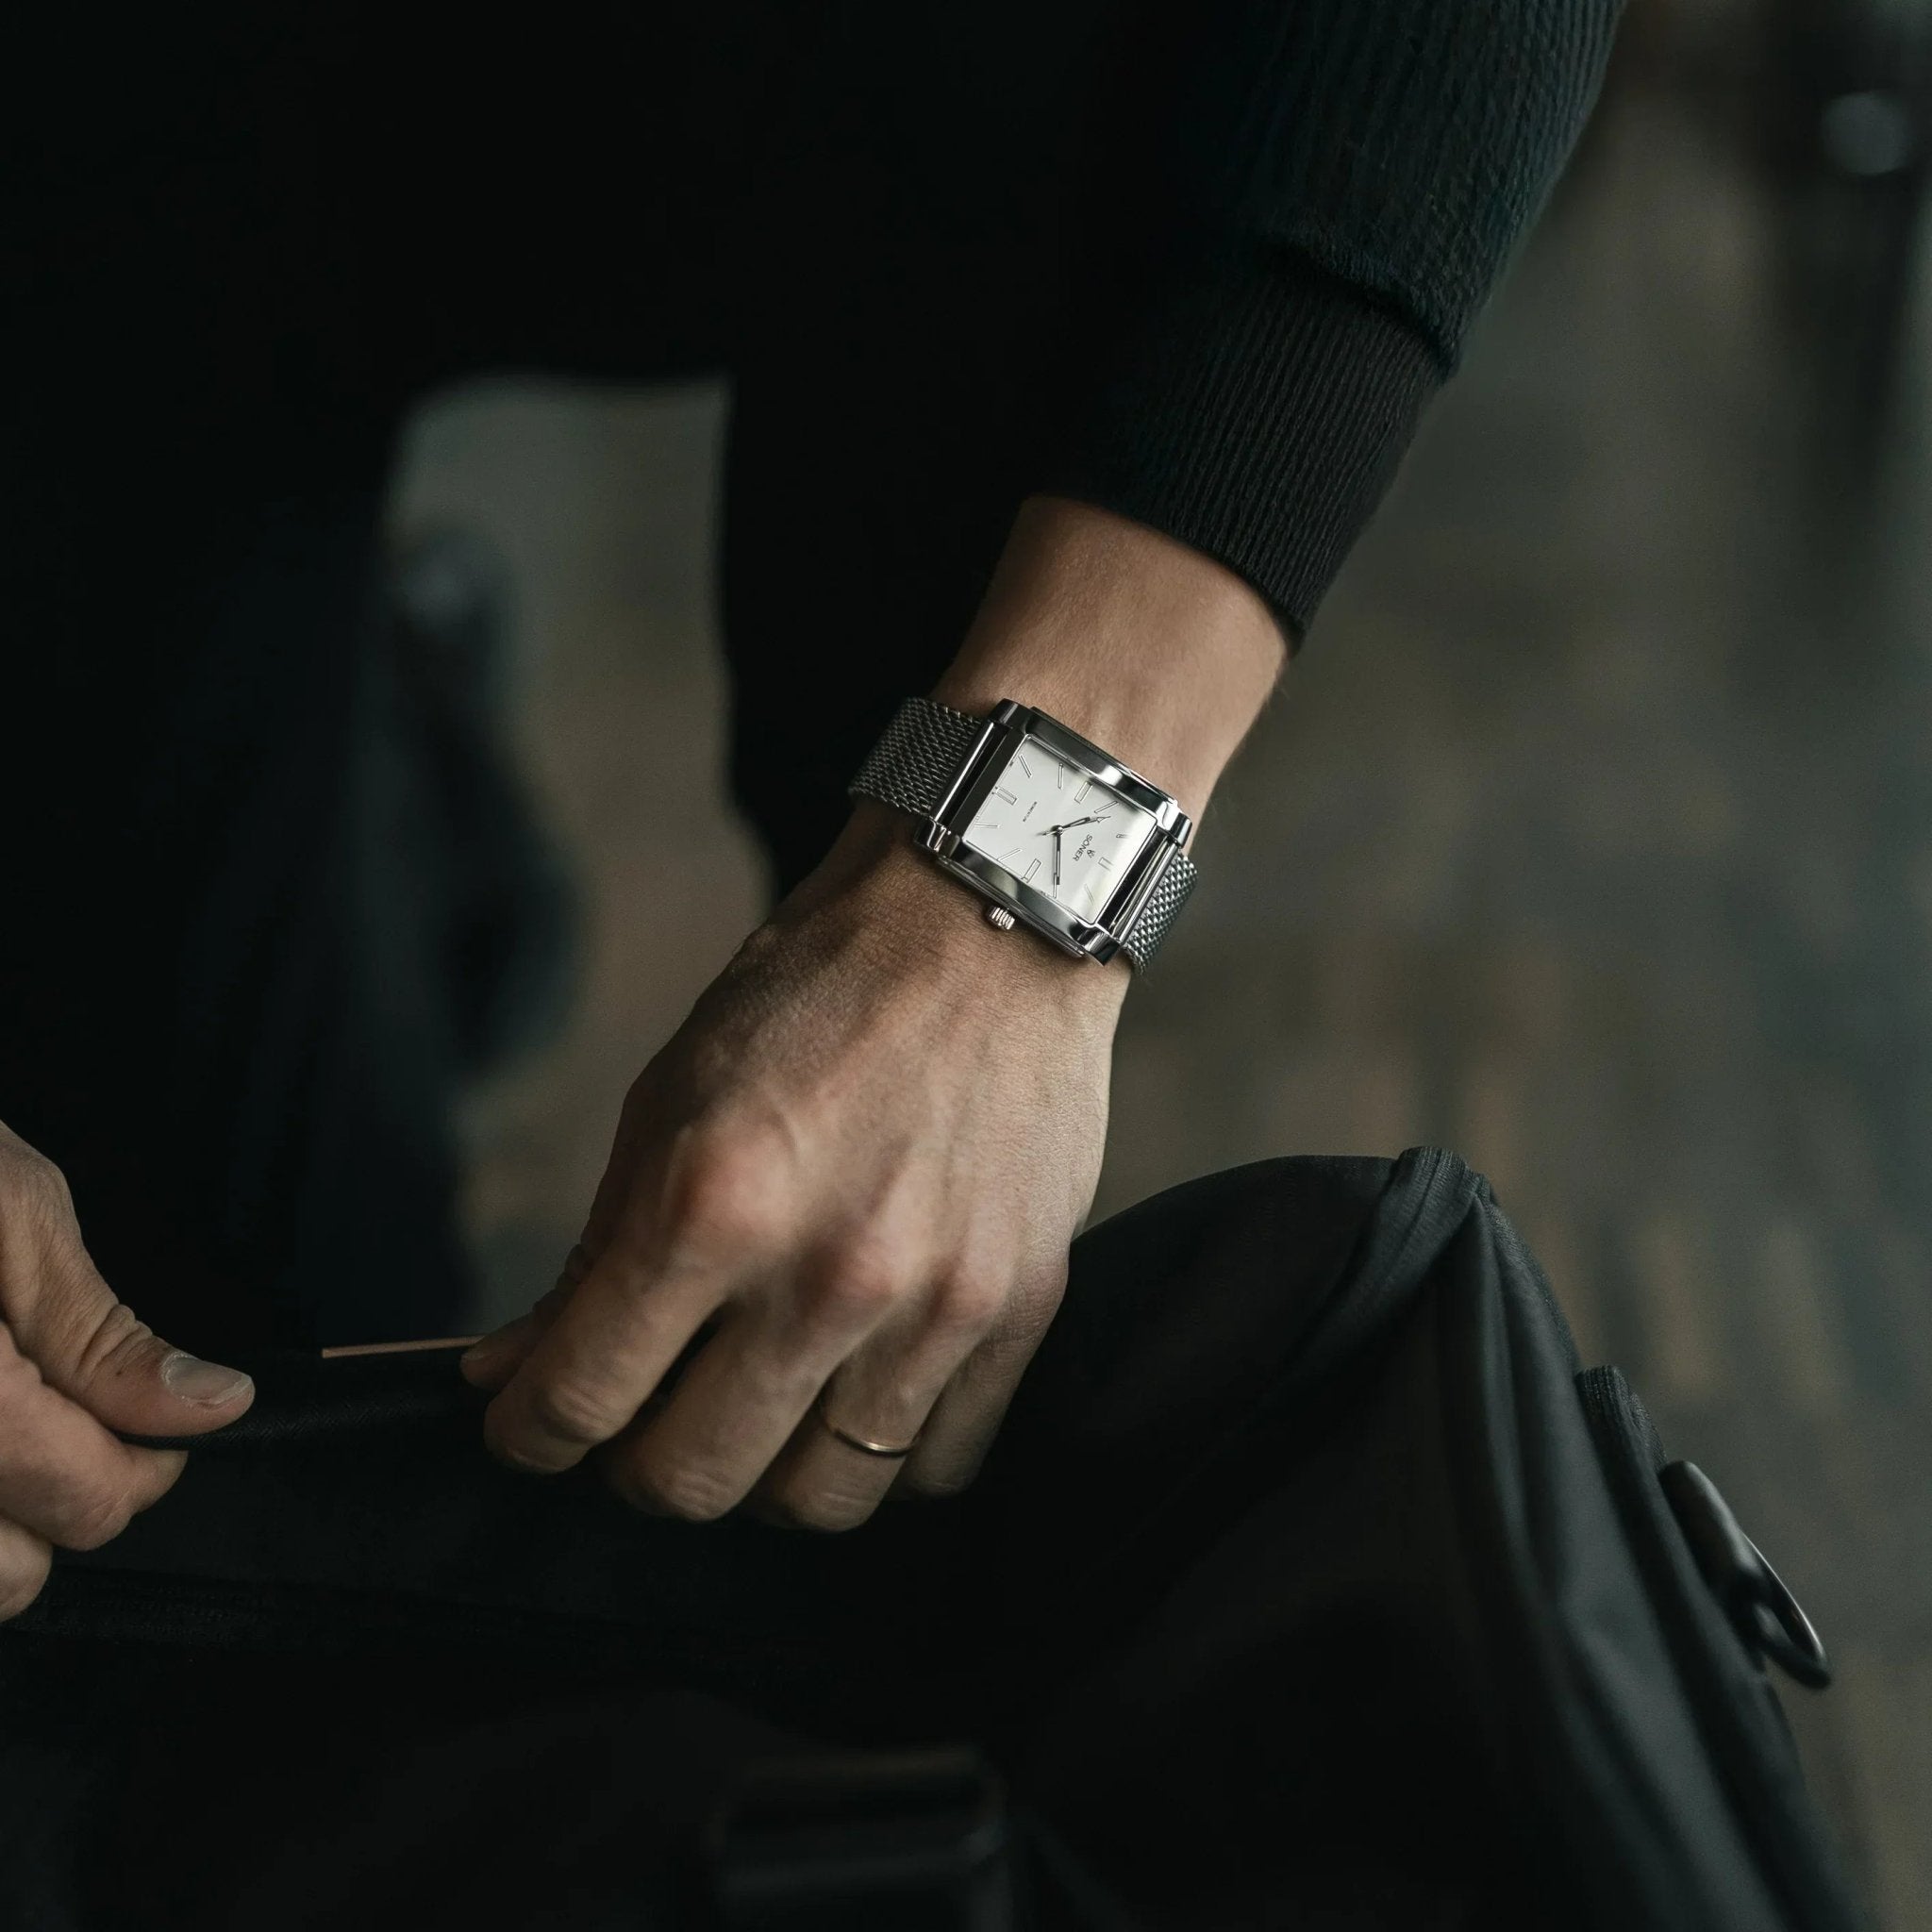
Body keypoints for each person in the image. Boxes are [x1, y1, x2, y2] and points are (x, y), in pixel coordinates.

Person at [0, 3, 1622, 1619]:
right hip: (99, 133)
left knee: (880, 1356)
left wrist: (991, 918)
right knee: (205, 1380)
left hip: (929, 89)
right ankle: (407, 776)